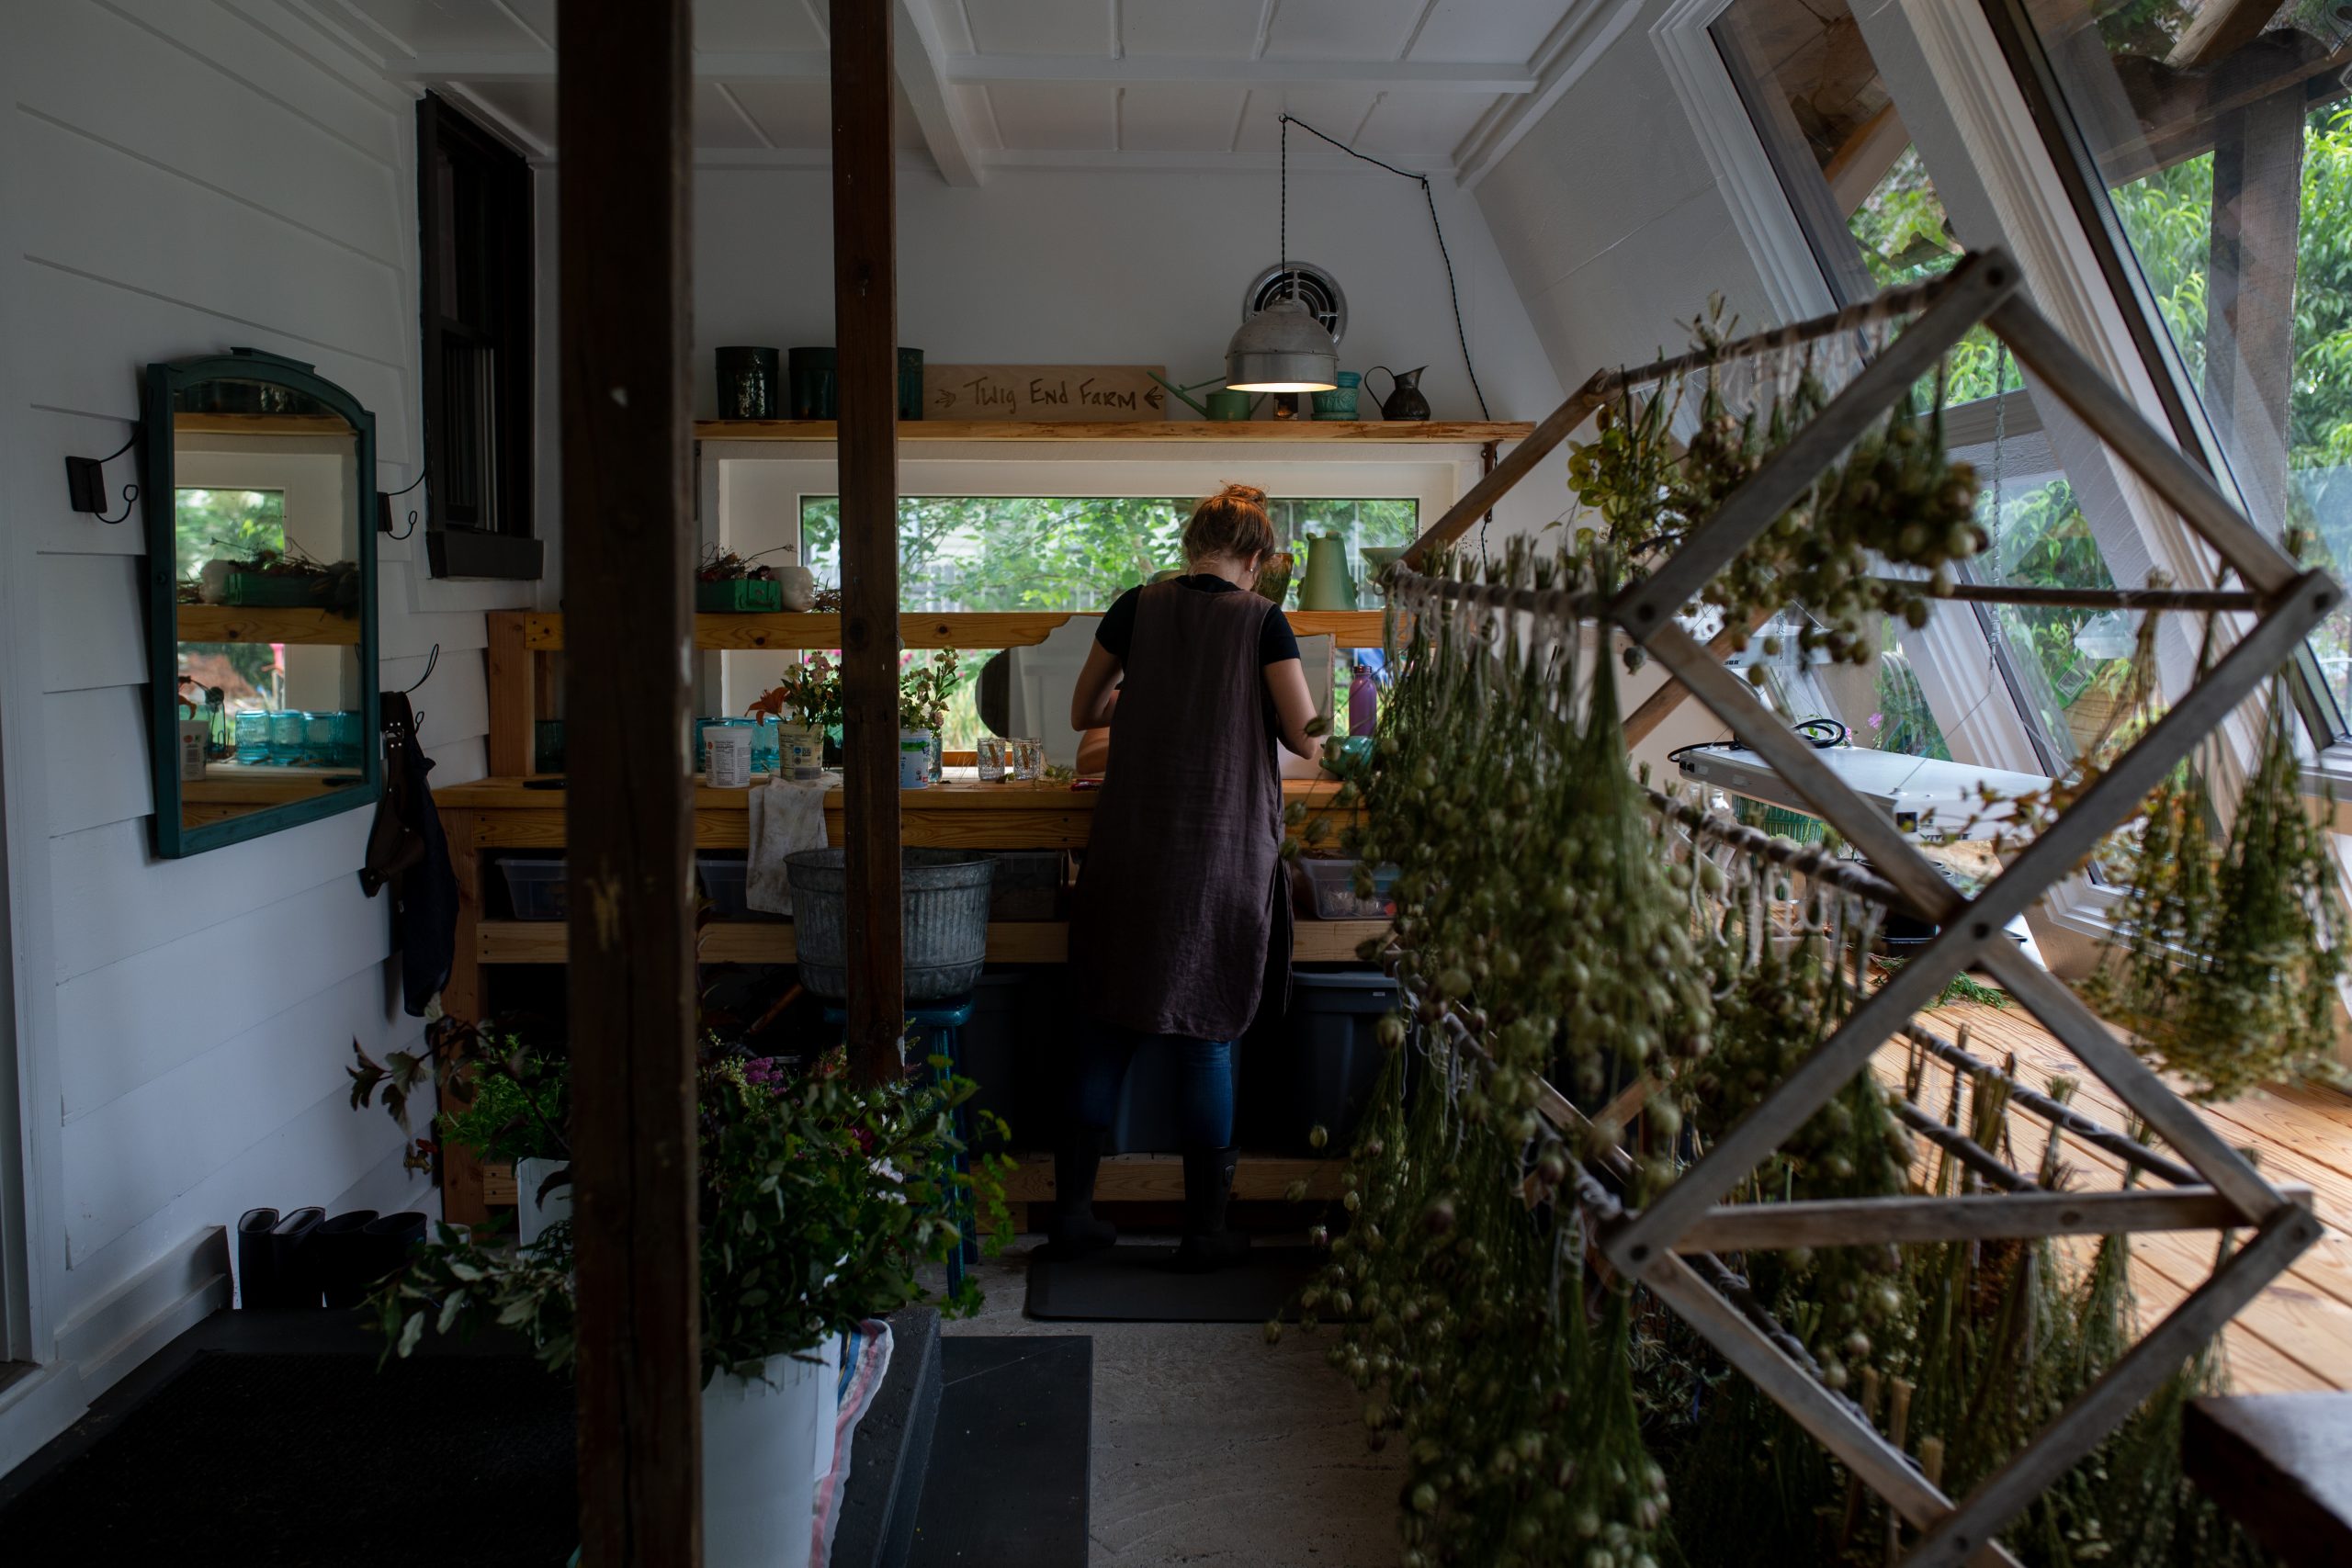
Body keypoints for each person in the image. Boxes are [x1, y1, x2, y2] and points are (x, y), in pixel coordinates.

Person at [1051, 484, 1321, 1271]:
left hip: (1133, 848)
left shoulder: (1136, 606)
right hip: (1219, 854)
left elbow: (1083, 710)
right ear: (1257, 558)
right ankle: (1205, 1232)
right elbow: (1307, 739)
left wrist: (1147, 695)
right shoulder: (1263, 621)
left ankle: (1072, 1216)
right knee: (1208, 1031)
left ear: (1192, 544)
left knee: (1106, 1021)